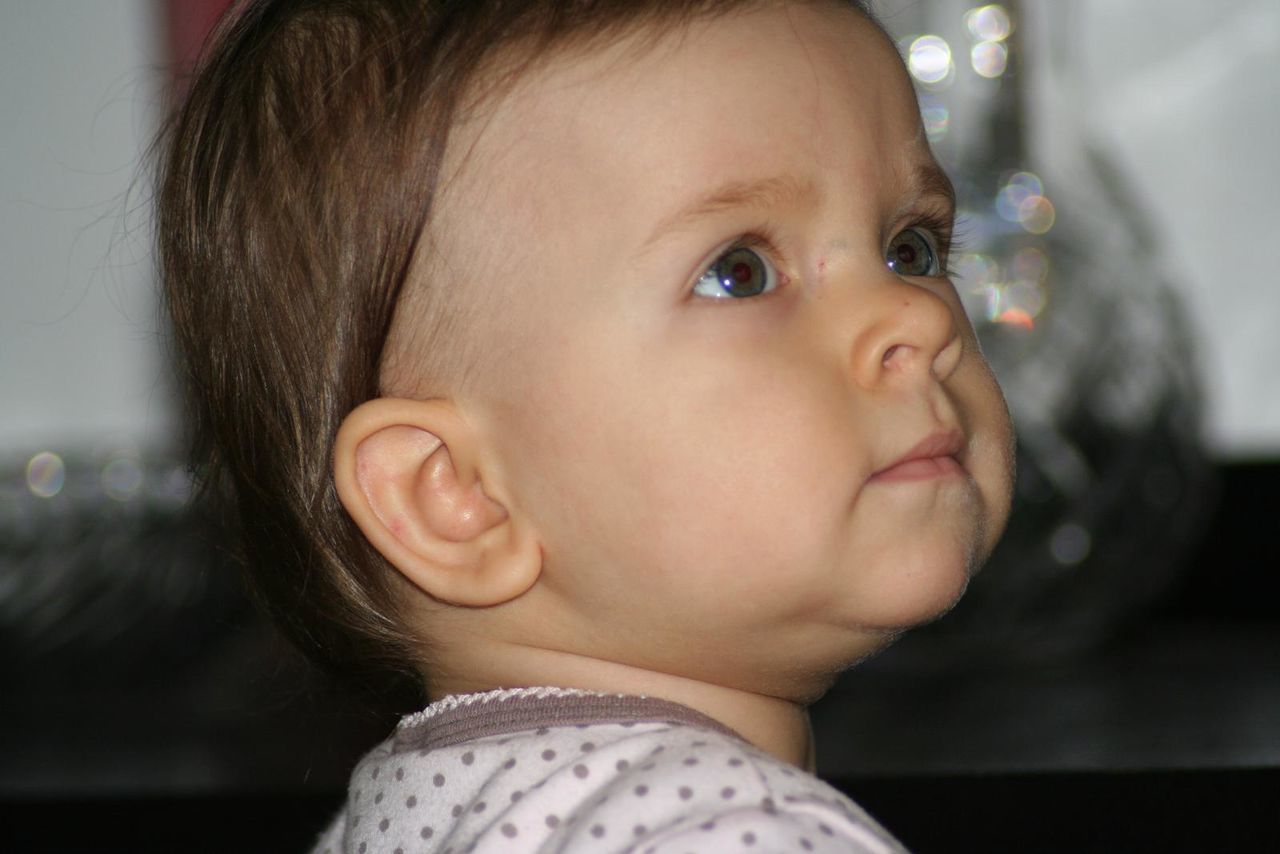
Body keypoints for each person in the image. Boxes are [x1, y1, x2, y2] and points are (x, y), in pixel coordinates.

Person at [157, 0, 1016, 850]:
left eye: (914, 247)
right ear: (459, 496)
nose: (918, 318)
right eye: (740, 271)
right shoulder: (734, 834)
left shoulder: (404, 818)